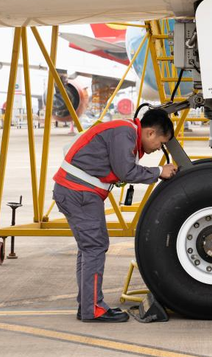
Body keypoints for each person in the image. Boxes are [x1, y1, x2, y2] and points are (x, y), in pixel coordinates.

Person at [53, 108, 178, 322]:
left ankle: (87, 304)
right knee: (94, 247)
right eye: (160, 142)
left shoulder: (124, 132)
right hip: (79, 193)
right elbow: (125, 172)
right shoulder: (125, 133)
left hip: (76, 192)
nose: (158, 149)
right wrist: (159, 172)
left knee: (89, 248)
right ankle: (93, 309)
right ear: (149, 133)